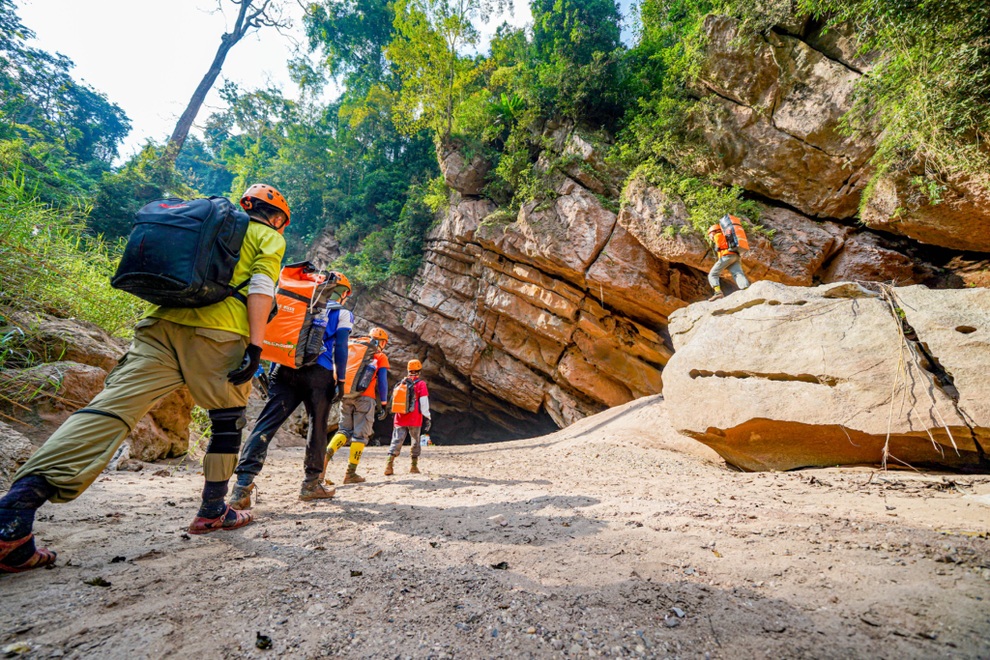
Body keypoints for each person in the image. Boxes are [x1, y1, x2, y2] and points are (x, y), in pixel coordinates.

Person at [0, 184, 288, 572]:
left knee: (107, 411)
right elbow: (261, 287)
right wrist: (256, 346)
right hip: (220, 336)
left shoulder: (213, 227)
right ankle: (213, 510)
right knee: (227, 418)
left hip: (158, 326)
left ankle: (14, 515)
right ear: (277, 218)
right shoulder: (267, 236)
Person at [228, 272, 354, 509]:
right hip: (320, 373)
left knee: (267, 423)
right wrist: (342, 380)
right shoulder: (342, 312)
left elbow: (281, 340)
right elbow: (341, 347)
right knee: (318, 426)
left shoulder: (296, 303)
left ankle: (242, 487)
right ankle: (311, 484)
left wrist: (271, 371)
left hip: (285, 370)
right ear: (342, 293)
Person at [323, 328, 390, 485]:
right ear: (382, 342)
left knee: (344, 430)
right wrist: (384, 403)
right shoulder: (379, 355)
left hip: (345, 394)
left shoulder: (352, 347)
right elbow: (382, 381)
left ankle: (326, 456)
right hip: (365, 398)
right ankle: (350, 473)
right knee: (360, 435)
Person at [384, 360, 431, 476]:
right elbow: (423, 402)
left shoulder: (401, 383)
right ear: (419, 371)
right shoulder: (421, 384)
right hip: (415, 417)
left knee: (396, 440)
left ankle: (389, 465)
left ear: (408, 370)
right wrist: (427, 417)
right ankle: (413, 467)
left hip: (400, 416)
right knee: (415, 440)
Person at [707, 222, 750, 302]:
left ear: (713, 232)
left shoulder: (717, 235)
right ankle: (746, 289)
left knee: (713, 274)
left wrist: (717, 247)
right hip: (735, 255)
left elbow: (720, 245)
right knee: (737, 273)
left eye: (709, 234)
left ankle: (718, 293)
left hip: (727, 256)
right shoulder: (726, 235)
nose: (710, 237)